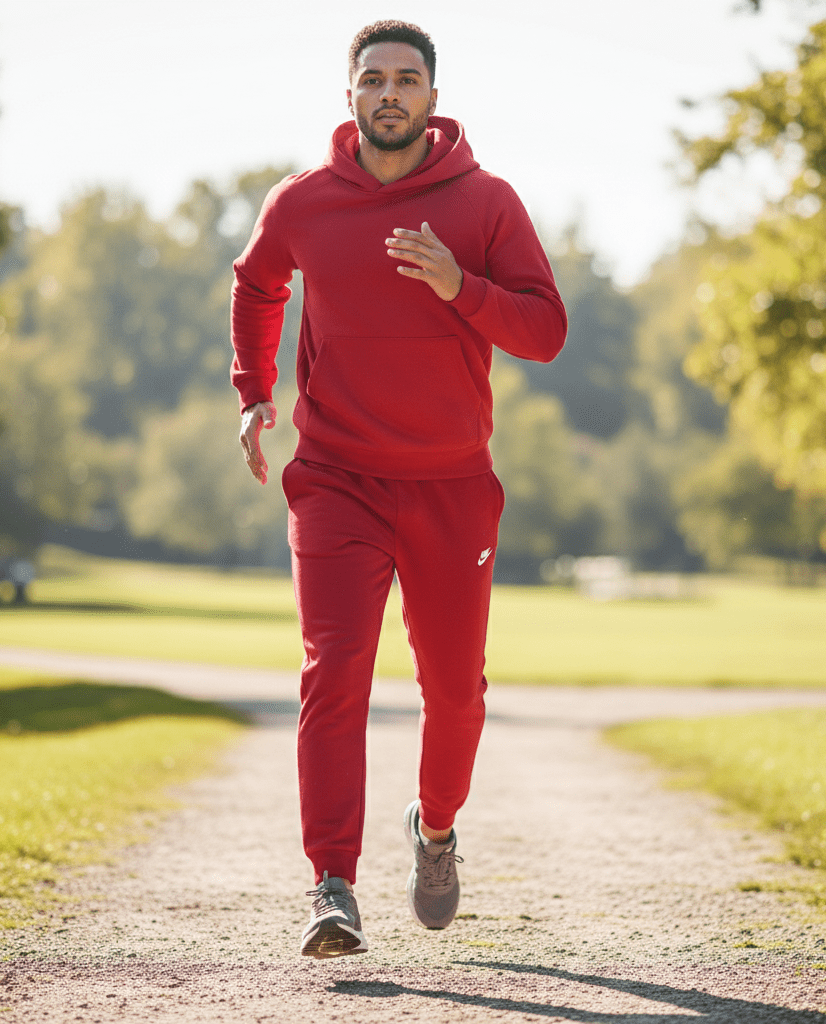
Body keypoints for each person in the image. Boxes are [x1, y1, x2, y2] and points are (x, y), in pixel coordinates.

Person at [231, 19, 567, 959]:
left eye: (406, 79)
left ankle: (436, 829)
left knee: (455, 693)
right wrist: (255, 393)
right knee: (332, 670)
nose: (388, 92)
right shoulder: (303, 203)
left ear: (432, 96)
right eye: (372, 78)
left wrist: (462, 285)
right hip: (336, 479)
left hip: (452, 486)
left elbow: (545, 331)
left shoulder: (486, 202)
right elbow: (257, 286)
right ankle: (330, 884)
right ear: (348, 97)